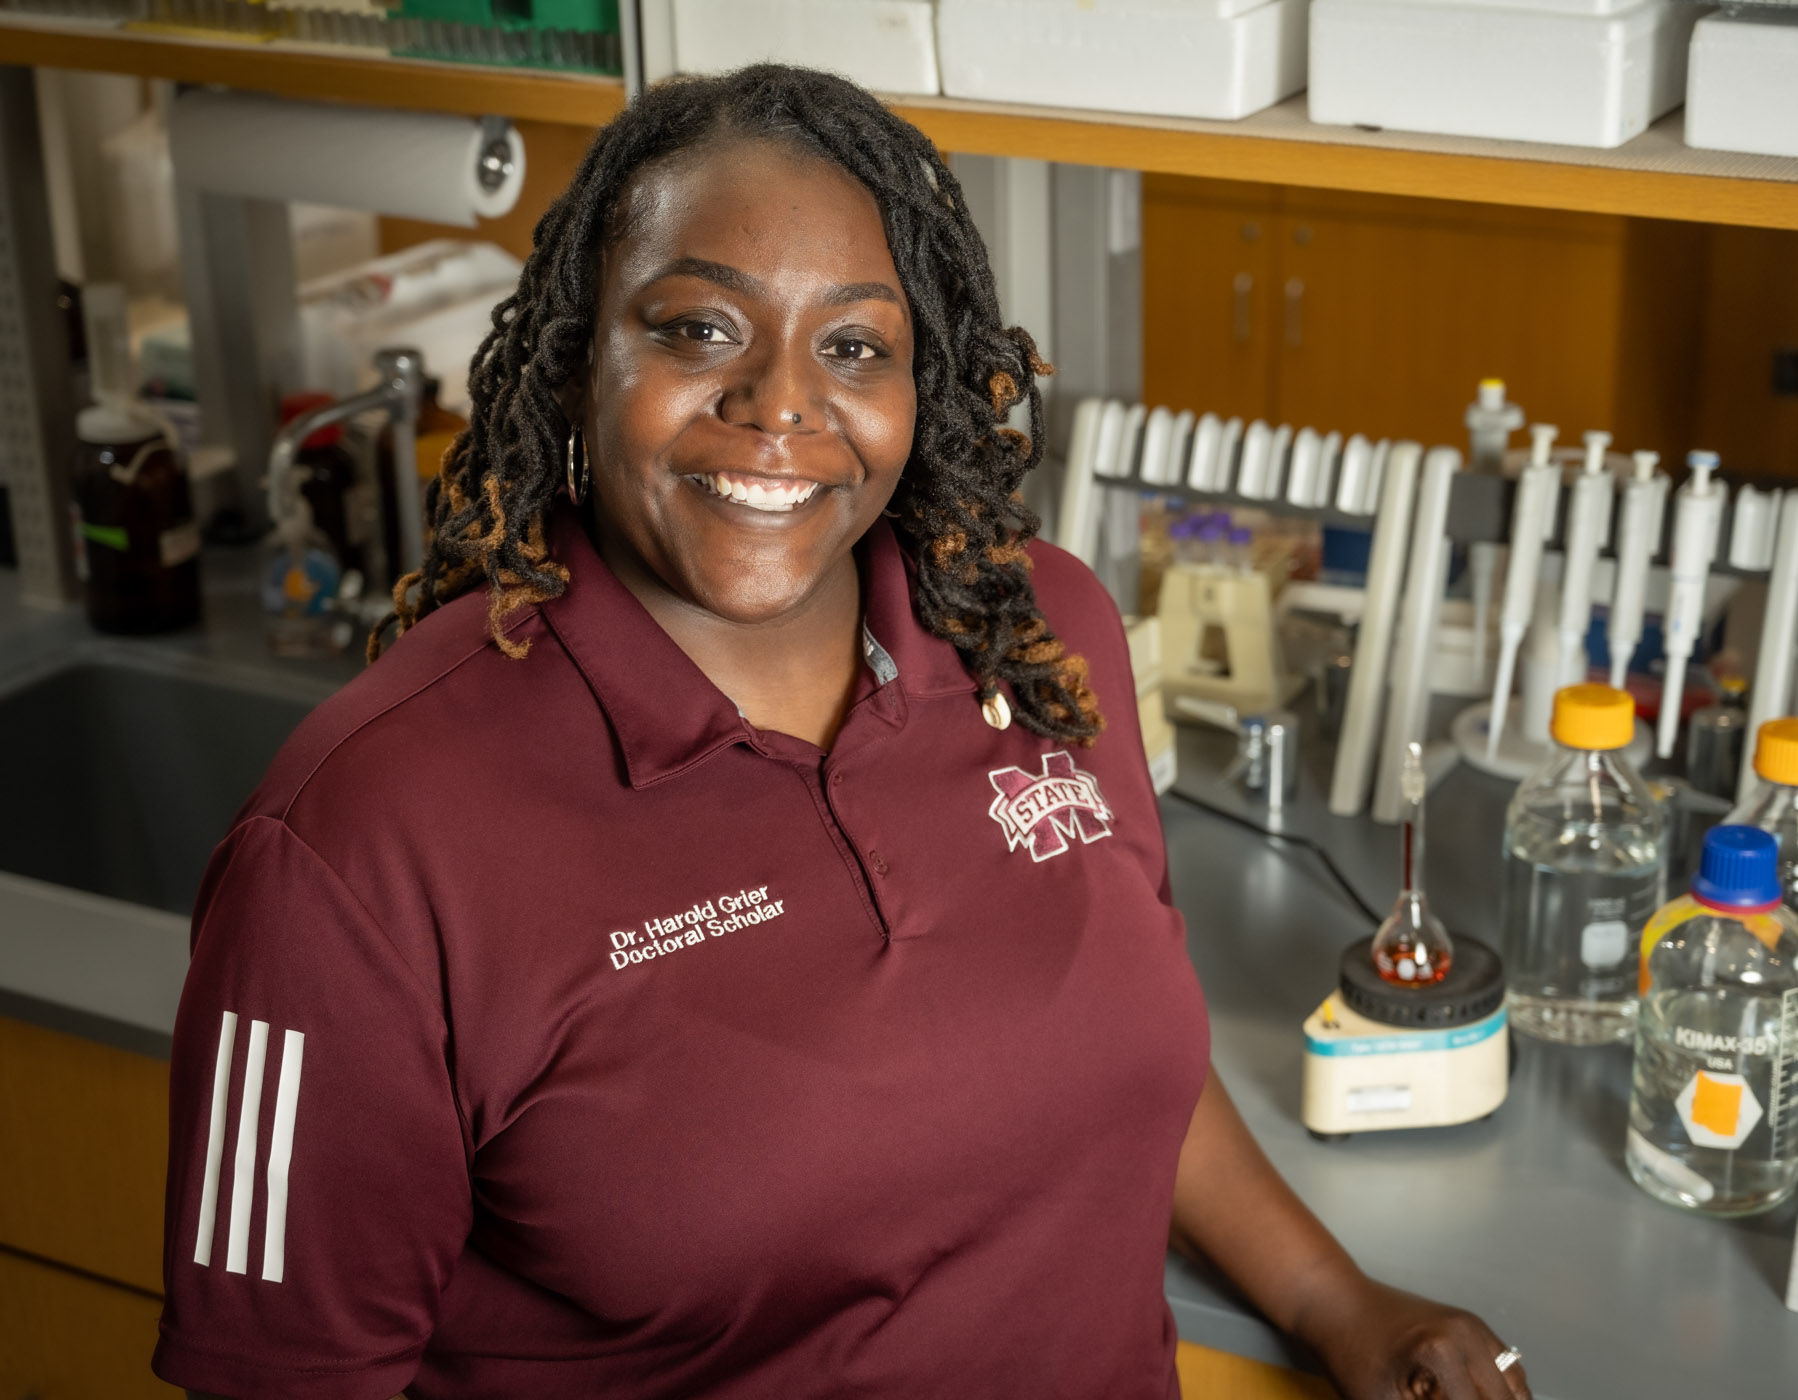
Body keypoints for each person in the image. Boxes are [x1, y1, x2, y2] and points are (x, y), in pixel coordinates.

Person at [155, 65, 1530, 1400]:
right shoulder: (356, 844)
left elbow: (1118, 1034)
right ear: (582, 359)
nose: (781, 406)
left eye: (856, 345)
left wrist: (1338, 1301)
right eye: (698, 327)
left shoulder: (1038, 630)